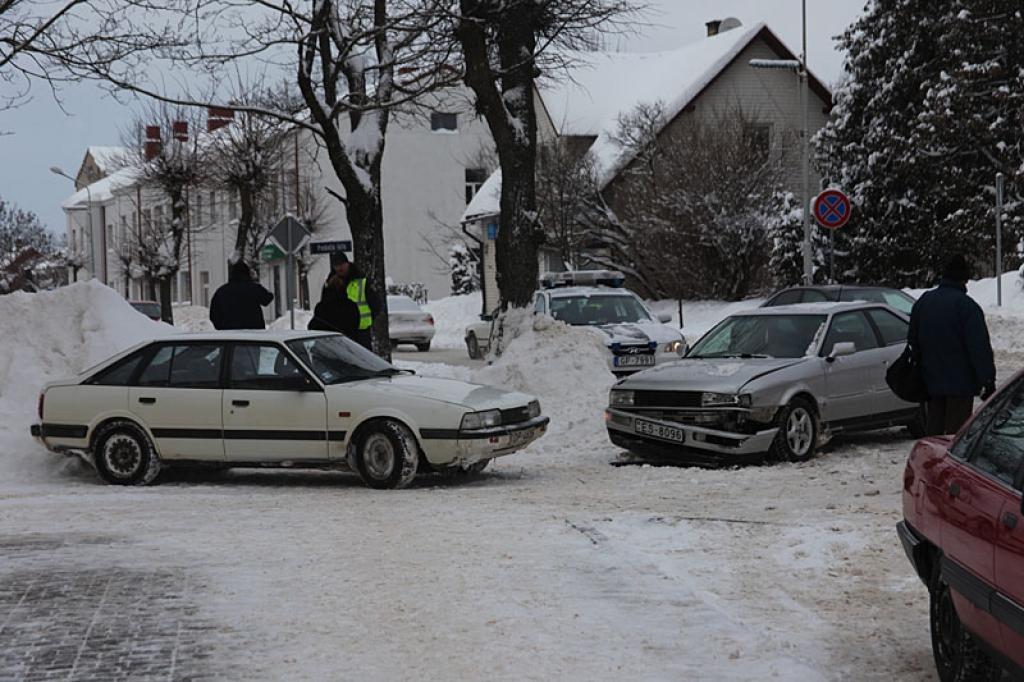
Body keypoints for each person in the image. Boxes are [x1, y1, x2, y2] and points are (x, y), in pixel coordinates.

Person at [908, 255, 996, 436]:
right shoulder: (967, 307)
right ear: (964, 279)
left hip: (930, 382)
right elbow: (979, 348)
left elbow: (913, 341)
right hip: (960, 385)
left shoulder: (924, 302)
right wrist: (987, 380)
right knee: (956, 436)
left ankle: (931, 462)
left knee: (935, 432)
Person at [321, 252, 382, 350]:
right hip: (338, 332)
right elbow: (324, 307)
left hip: (360, 331)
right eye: (337, 265)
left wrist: (368, 320)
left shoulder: (361, 281)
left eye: (342, 264)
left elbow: (376, 304)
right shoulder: (330, 284)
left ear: (347, 263)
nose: (340, 268)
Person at [209, 260, 274, 330]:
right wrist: (254, 281)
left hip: (229, 334)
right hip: (254, 334)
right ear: (248, 273)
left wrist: (222, 328)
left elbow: (214, 315)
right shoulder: (253, 288)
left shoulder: (221, 291)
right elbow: (268, 298)